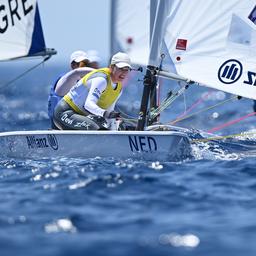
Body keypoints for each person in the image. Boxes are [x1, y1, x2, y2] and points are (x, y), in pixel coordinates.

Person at [53, 52, 132, 131]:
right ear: (111, 67)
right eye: (121, 69)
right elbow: (89, 105)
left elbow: (109, 113)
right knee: (94, 128)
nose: (124, 73)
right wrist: (105, 114)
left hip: (83, 116)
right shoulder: (101, 80)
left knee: (119, 126)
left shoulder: (119, 88)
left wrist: (114, 129)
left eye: (127, 69)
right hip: (65, 112)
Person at [47, 50, 94, 129]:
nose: (85, 67)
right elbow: (77, 72)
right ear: (72, 65)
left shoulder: (85, 82)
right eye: (82, 64)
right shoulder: (64, 80)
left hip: (72, 121)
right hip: (58, 124)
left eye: (87, 64)